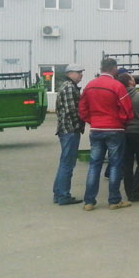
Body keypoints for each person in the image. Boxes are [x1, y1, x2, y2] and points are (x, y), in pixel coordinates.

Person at [79, 58, 134, 211]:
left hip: (96, 129)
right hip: (115, 129)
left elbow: (82, 109)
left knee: (94, 165)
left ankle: (89, 202)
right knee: (115, 164)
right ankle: (114, 200)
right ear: (114, 69)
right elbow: (127, 109)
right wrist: (121, 121)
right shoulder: (117, 86)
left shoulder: (90, 85)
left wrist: (93, 121)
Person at [52, 63, 85, 205]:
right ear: (69, 73)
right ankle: (64, 195)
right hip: (70, 130)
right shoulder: (70, 88)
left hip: (65, 130)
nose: (81, 75)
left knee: (64, 163)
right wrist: (79, 126)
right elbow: (73, 110)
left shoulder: (65, 86)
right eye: (78, 72)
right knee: (68, 164)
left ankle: (58, 193)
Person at [118, 73, 139, 202]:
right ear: (130, 82)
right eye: (132, 78)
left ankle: (128, 191)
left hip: (124, 133)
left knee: (127, 164)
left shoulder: (119, 97)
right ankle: (136, 190)